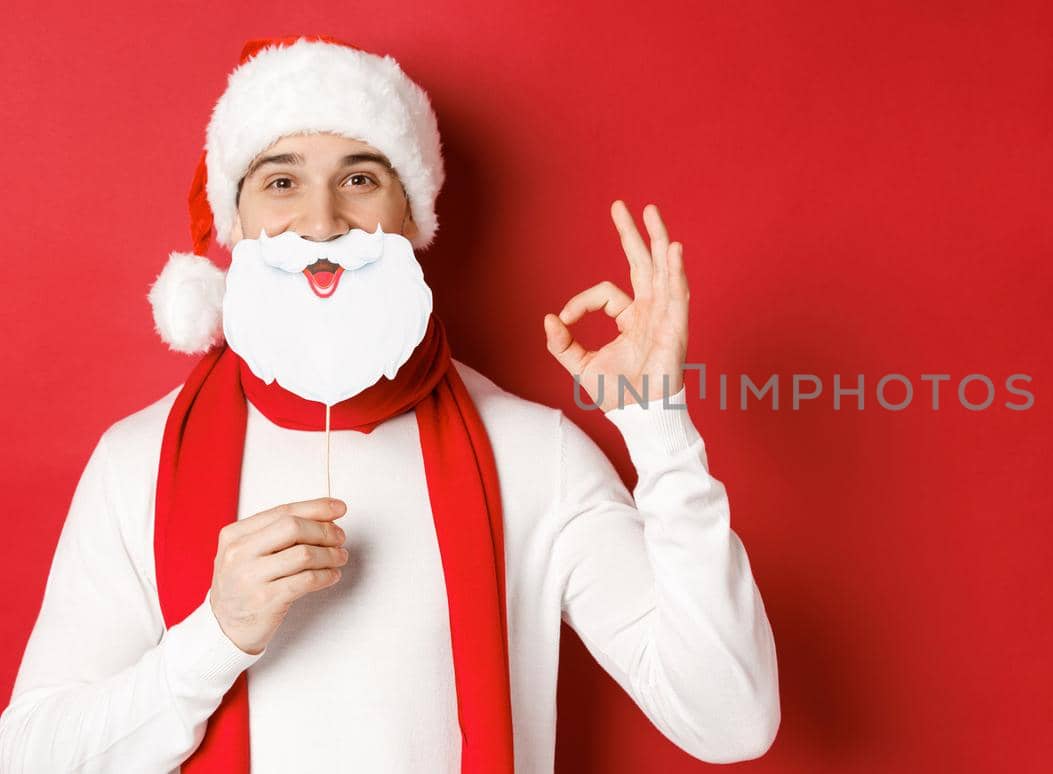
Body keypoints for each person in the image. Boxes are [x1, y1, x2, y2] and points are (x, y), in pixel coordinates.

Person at [0, 35, 779, 773]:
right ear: (234, 226)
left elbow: (732, 722)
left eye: (359, 178)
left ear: (412, 220)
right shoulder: (137, 461)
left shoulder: (532, 454)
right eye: (281, 182)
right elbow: (31, 756)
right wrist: (216, 636)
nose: (320, 222)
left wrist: (658, 424)